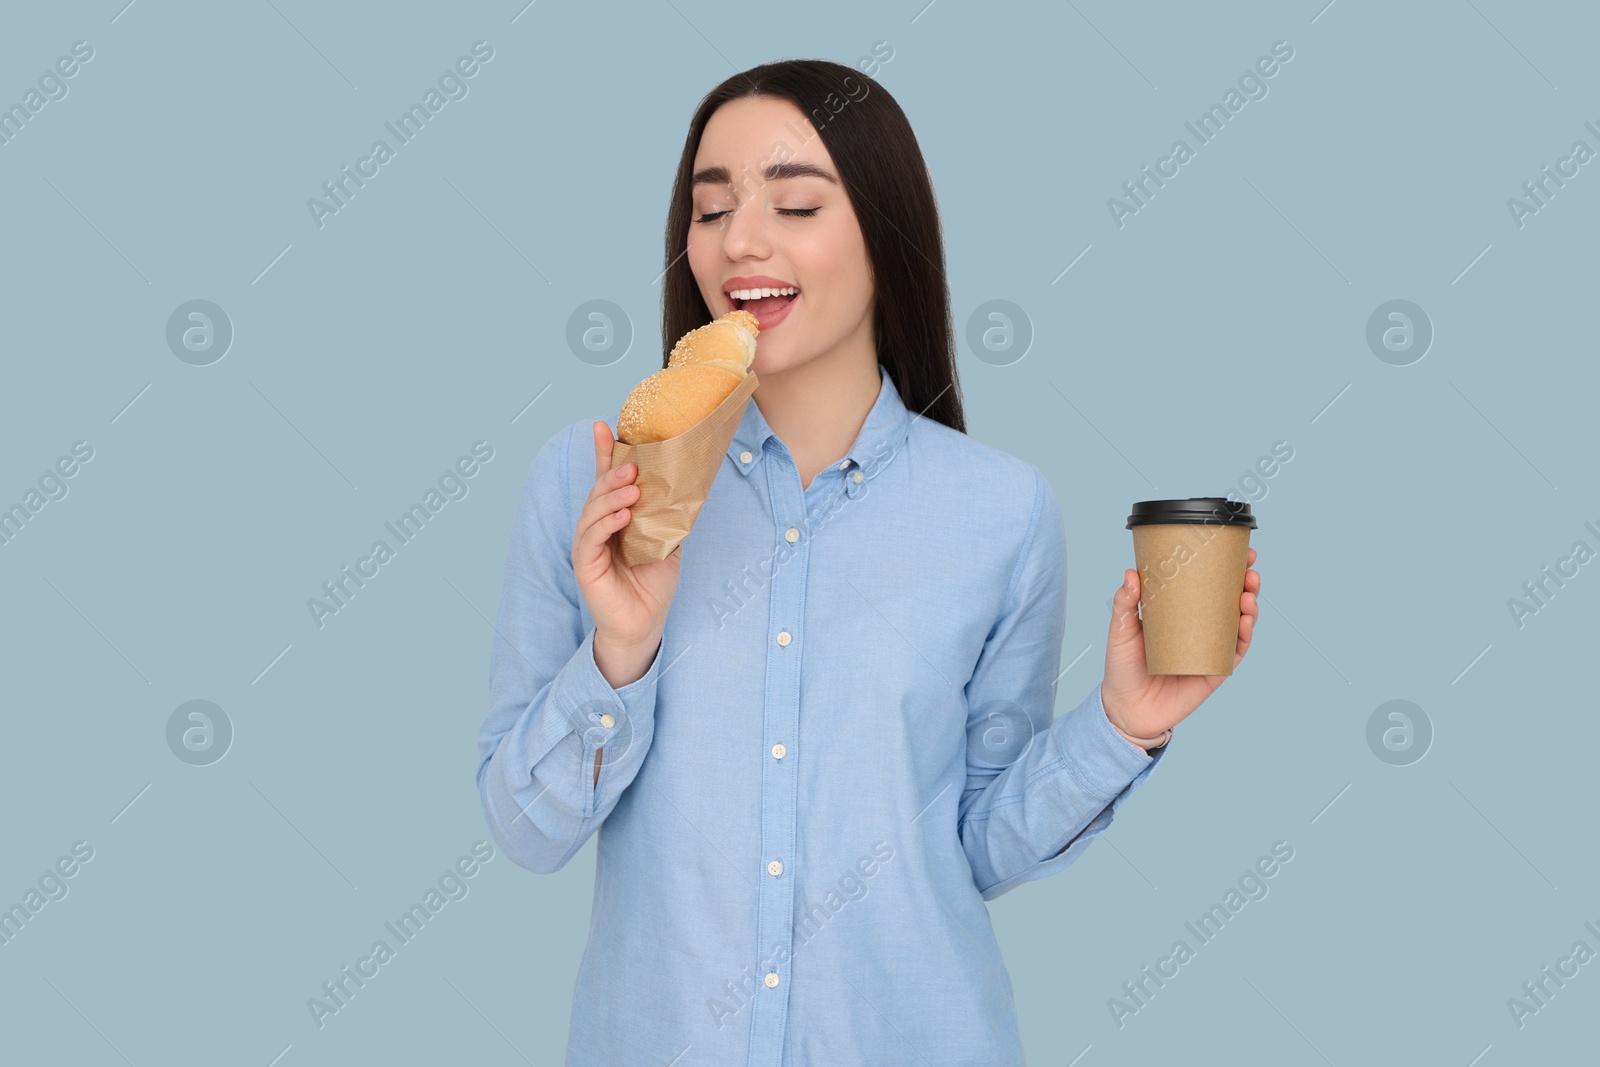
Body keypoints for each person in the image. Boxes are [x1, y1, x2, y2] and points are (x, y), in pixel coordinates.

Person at [475, 58, 1261, 1067]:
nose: (740, 242)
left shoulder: (1000, 510)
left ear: (885, 231)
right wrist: (620, 651)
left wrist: (1121, 727)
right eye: (710, 212)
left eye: (794, 202)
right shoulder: (593, 480)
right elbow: (525, 829)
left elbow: (974, 842)